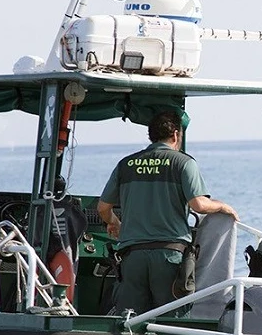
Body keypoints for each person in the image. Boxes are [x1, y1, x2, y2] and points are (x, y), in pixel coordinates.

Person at [97, 111, 239, 315]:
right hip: (169, 257)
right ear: (175, 134)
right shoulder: (183, 163)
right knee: (172, 321)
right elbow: (199, 204)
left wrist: (114, 222)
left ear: (151, 136)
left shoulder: (126, 164)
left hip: (132, 257)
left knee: (129, 321)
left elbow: (103, 207)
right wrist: (222, 206)